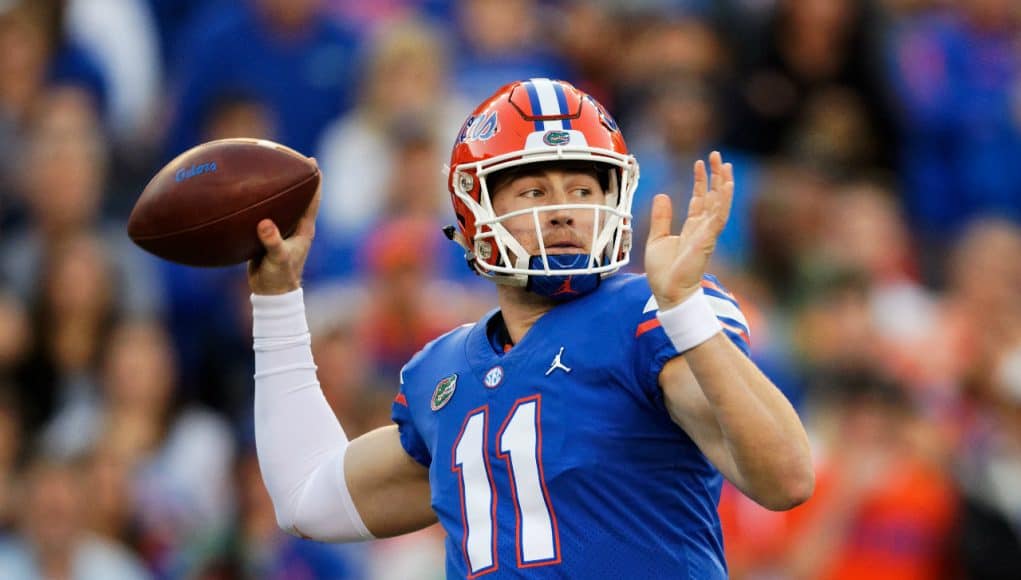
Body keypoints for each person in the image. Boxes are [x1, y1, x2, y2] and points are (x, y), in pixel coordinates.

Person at [246, 78, 814, 578]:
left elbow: (785, 478)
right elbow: (305, 499)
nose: (564, 209)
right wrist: (276, 298)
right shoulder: (441, 375)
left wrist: (685, 311)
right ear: (473, 213)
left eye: (584, 190)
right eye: (535, 191)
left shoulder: (650, 316)